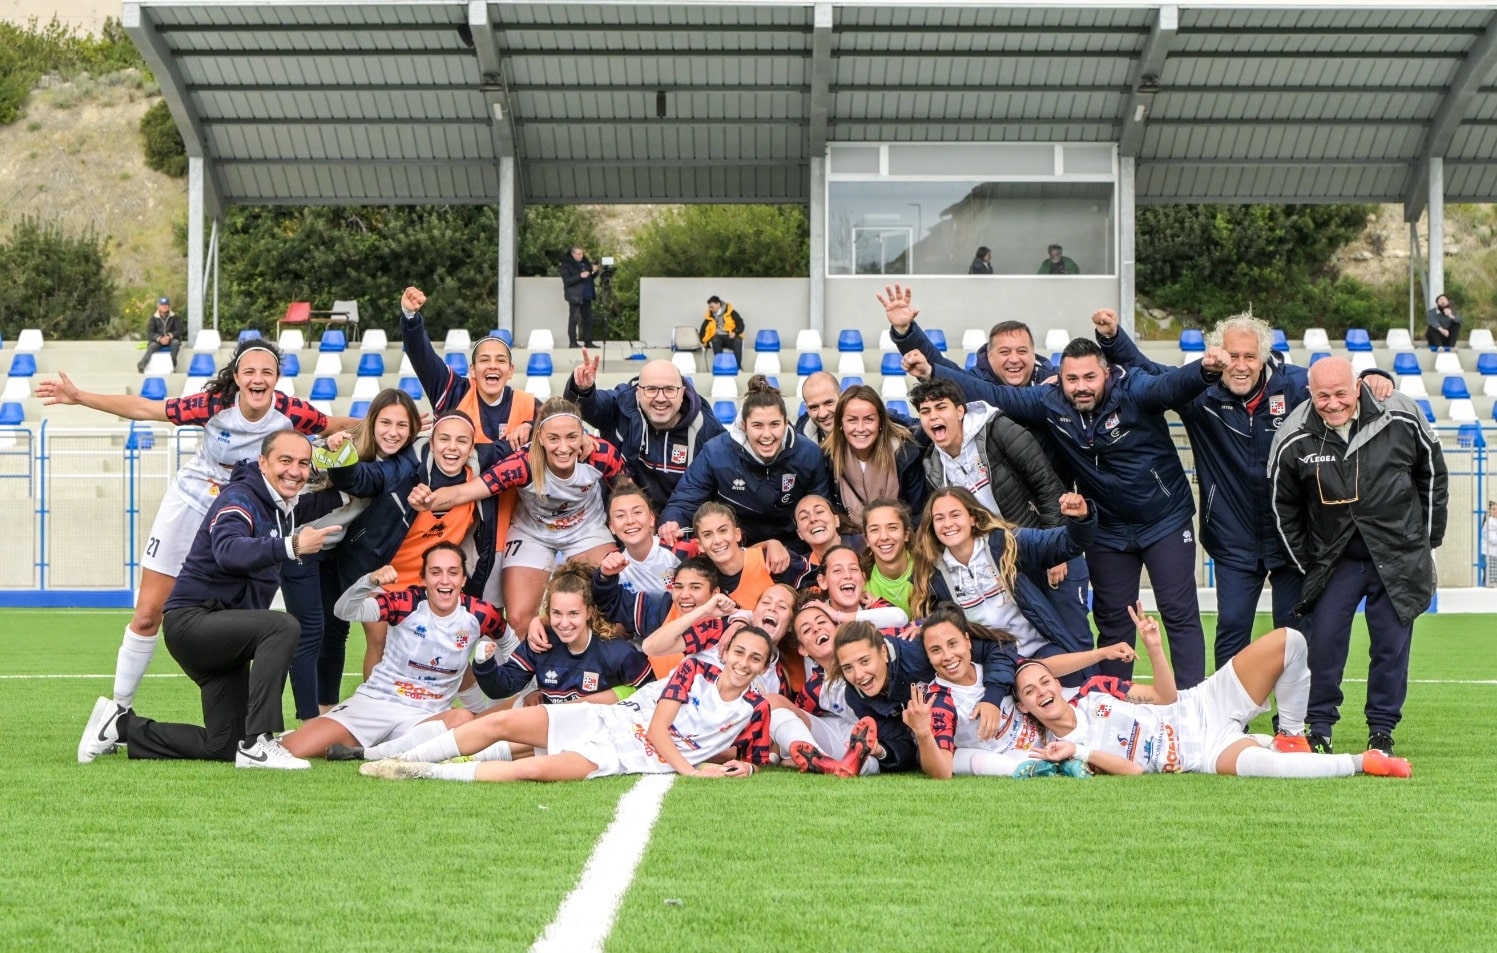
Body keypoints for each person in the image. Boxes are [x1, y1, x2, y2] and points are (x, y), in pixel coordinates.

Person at [895, 293, 1230, 688]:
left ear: (1106, 374)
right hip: (1104, 527)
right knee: (1111, 617)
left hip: (1163, 521)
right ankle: (1113, 700)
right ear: (1059, 378)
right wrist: (921, 355)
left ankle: (1192, 698)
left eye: (1089, 377)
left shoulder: (1135, 390)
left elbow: (1171, 387)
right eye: (1072, 379)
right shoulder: (1050, 401)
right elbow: (979, 391)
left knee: (1178, 611)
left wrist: (1206, 371)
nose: (1081, 387)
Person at [49, 339, 351, 762]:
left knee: (248, 621)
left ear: (277, 379)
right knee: (148, 612)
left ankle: (232, 734)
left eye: (267, 372)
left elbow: (339, 423)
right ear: (238, 377)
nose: (258, 378)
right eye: (250, 371)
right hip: (196, 501)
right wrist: (80, 397)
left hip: (248, 506)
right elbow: (145, 409)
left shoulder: (292, 414)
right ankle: (118, 707)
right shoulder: (213, 404)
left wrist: (400, 425)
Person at [1092, 309, 1395, 669]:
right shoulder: (1198, 394)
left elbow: (1337, 386)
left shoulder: (1295, 386)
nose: (1240, 365)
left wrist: (1376, 376)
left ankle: (1292, 720)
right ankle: (1230, 719)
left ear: (1263, 357)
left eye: (1249, 356)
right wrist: (1111, 337)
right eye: (1232, 356)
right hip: (1232, 539)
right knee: (1233, 628)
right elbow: (1144, 366)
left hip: (1291, 540)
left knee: (1295, 631)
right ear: (1217, 356)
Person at [78, 430, 347, 769]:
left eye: (304, 463)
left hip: (220, 634)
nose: (295, 471)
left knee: (223, 744)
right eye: (285, 461)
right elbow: (228, 550)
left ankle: (121, 726)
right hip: (193, 623)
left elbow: (344, 492)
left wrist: (350, 456)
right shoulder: (240, 498)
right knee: (282, 627)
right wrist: (291, 546)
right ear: (263, 463)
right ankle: (259, 742)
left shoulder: (283, 506)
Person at [1268, 356, 1447, 756]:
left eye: (1341, 393)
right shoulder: (1293, 434)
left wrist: (1426, 542)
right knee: (1325, 646)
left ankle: (1381, 730)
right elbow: (1284, 508)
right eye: (1322, 396)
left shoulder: (1401, 413)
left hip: (1397, 556)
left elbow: (1432, 473)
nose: (1333, 403)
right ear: (1310, 395)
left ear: (1359, 386)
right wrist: (1307, 563)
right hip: (1336, 562)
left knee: (1390, 647)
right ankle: (1321, 727)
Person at [1015, 602, 1412, 779]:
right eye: (1030, 691)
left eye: (1044, 681)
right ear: (1025, 707)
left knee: (1289, 641)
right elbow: (1134, 770)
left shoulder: (1095, 692)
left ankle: (1290, 735)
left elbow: (1166, 697)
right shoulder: (1059, 752)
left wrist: (1154, 646)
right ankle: (1363, 762)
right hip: (1203, 751)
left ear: (1057, 682)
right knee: (1271, 771)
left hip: (1202, 702)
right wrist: (1079, 751)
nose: (1042, 691)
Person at [357, 624, 777, 783]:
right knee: (502, 724)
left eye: (755, 659)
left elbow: (753, 753)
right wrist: (692, 771)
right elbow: (657, 730)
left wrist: (749, 763)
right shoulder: (693, 672)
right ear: (725, 653)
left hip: (624, 756)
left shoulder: (756, 706)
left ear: (763, 668)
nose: (744, 663)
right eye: (739, 653)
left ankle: (422, 773)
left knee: (533, 769)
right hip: (603, 720)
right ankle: (401, 759)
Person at [414, 397, 626, 637]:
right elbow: (465, 492)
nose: (563, 447)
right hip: (533, 533)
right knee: (518, 617)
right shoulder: (522, 464)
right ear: (540, 438)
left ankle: (589, 666)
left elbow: (629, 496)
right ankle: (537, 670)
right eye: (554, 438)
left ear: (583, 436)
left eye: (571, 437)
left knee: (610, 610)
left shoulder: (601, 455)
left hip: (587, 530)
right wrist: (426, 501)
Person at [279, 543, 502, 760]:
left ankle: (369, 753)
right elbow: (343, 611)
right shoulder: (405, 602)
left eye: (453, 572)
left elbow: (510, 642)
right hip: (375, 704)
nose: (445, 580)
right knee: (294, 748)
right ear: (423, 579)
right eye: (436, 572)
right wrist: (368, 582)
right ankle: (380, 744)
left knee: (461, 718)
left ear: (463, 579)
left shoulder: (480, 613)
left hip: (424, 717)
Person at [288, 388, 422, 718]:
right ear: (372, 422)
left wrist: (340, 458)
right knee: (310, 632)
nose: (393, 432)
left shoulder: (403, 464)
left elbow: (361, 479)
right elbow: (309, 466)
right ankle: (307, 718)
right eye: (386, 422)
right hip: (301, 546)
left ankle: (326, 712)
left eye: (402, 426)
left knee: (335, 632)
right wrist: (331, 451)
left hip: (340, 552)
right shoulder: (342, 443)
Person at [906, 605, 1136, 779]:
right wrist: (923, 732)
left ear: (968, 641)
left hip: (1051, 733)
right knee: (964, 759)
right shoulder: (940, 700)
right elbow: (942, 771)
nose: (947, 656)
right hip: (1013, 758)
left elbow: (1044, 668)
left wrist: (1101, 654)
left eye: (952, 644)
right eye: (935, 650)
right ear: (927, 656)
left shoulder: (993, 667)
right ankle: (1053, 766)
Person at [911, 487, 1096, 666]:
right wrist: (922, 625)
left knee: (1070, 677)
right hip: (995, 661)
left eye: (955, 515)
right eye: (939, 518)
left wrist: (1081, 518)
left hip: (1040, 650)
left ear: (973, 518)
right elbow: (935, 618)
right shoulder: (933, 574)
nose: (948, 524)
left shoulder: (1006, 543)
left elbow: (1064, 543)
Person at [659, 375, 831, 549]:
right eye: (757, 425)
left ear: (786, 424)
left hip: (793, 547)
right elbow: (685, 500)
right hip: (734, 547)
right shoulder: (716, 453)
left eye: (774, 424)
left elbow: (822, 506)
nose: (767, 434)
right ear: (743, 425)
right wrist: (672, 521)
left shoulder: (808, 453)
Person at [831, 619, 1016, 775]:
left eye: (865, 661)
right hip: (952, 737)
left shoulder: (916, 651)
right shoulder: (855, 696)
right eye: (848, 667)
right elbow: (905, 747)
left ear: (884, 653)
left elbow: (999, 645)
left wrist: (992, 698)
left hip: (996, 707)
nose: (859, 675)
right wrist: (882, 752)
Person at [471, 562, 653, 709]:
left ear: (589, 612)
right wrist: (484, 664)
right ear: (547, 612)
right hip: (550, 729)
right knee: (508, 722)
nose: (564, 623)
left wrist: (613, 699)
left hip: (598, 736)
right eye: (557, 613)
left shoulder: (617, 652)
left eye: (573, 613)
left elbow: (651, 690)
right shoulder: (541, 641)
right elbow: (503, 687)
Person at [563, 353, 725, 512]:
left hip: (679, 528)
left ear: (682, 393)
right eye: (651, 389)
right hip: (620, 524)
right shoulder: (622, 406)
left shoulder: (706, 428)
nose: (660, 398)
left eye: (669, 389)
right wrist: (582, 390)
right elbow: (590, 408)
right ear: (638, 392)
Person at [822, 384, 926, 527]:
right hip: (850, 541)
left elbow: (918, 517)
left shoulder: (907, 454)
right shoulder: (827, 458)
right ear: (841, 423)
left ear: (880, 422)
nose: (860, 428)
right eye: (852, 420)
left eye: (869, 419)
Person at [605, 481, 680, 596]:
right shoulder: (613, 563)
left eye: (637, 512)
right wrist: (602, 576)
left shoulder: (678, 551)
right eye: (620, 515)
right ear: (612, 527)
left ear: (651, 519)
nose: (630, 521)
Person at [861, 499, 915, 615]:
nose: (884, 537)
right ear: (866, 540)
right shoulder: (860, 581)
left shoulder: (929, 570)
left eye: (892, 528)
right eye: (874, 530)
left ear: (906, 534)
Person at [795, 494, 859, 566]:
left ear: (836, 520)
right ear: (799, 534)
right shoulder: (801, 569)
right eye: (804, 517)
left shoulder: (865, 547)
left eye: (819, 512)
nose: (812, 519)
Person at [560, 245, 598, 348]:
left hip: (586, 295)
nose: (581, 256)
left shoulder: (585, 263)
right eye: (578, 254)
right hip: (575, 296)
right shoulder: (567, 265)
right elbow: (567, 281)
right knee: (575, 319)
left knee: (588, 319)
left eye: (582, 254)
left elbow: (590, 276)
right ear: (573, 254)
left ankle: (588, 341)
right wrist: (580, 276)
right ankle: (573, 342)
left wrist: (594, 271)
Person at [136, 296, 185, 373]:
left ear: (169, 306)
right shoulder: (153, 318)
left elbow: (179, 330)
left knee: (175, 343)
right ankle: (142, 365)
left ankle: (172, 365)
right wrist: (159, 338)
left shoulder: (175, 317)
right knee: (152, 346)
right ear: (158, 306)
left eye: (166, 305)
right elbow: (150, 332)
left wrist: (169, 336)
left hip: (171, 339)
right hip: (158, 340)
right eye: (162, 305)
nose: (164, 307)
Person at [700, 295, 746, 369]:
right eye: (709, 307)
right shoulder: (710, 316)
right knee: (715, 340)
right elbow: (703, 329)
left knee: (738, 340)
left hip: (730, 336)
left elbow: (741, 325)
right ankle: (720, 365)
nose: (710, 309)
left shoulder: (731, 312)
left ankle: (738, 366)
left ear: (718, 304)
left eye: (712, 307)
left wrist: (735, 332)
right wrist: (703, 341)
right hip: (718, 337)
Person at [796, 371, 841, 443]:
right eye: (814, 407)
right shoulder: (797, 443)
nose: (823, 414)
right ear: (807, 409)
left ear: (841, 398)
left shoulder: (862, 433)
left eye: (828, 403)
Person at [1486, 502, 1497, 588]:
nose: (1495, 511)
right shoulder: (1489, 522)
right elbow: (1491, 538)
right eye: (1493, 509)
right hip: (1492, 553)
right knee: (1492, 575)